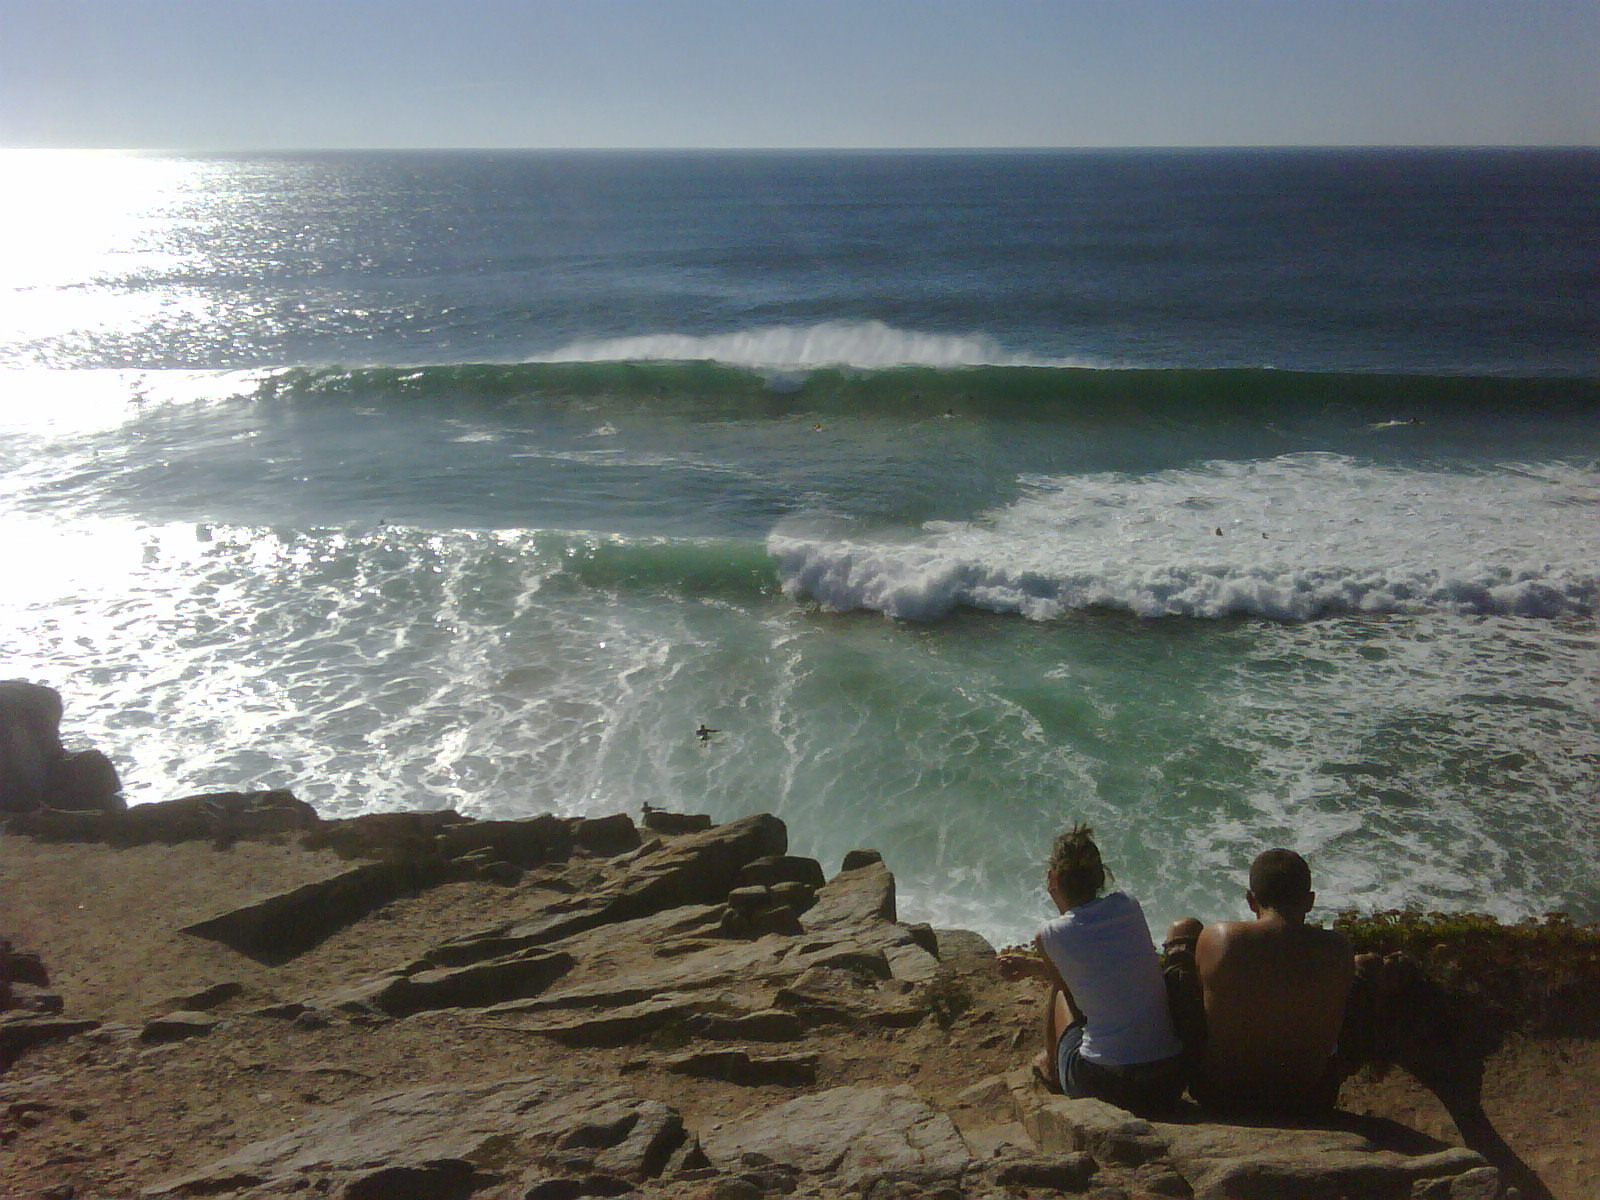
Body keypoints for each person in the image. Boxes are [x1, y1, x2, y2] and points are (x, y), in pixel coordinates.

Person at [997, 825, 1186, 1114]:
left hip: (1105, 1086)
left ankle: (1051, 1067)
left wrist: (1036, 968)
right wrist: (1033, 967)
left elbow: (1066, 982)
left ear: (1052, 878)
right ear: (1099, 877)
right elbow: (1099, 964)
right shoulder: (1128, 905)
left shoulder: (1050, 934)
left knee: (1060, 992)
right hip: (1167, 1082)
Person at [1190, 848, 1355, 1114]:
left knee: (1185, 934)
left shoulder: (1222, 938)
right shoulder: (1339, 948)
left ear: (1251, 900)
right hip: (1307, 1098)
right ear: (1310, 901)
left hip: (1224, 1095)